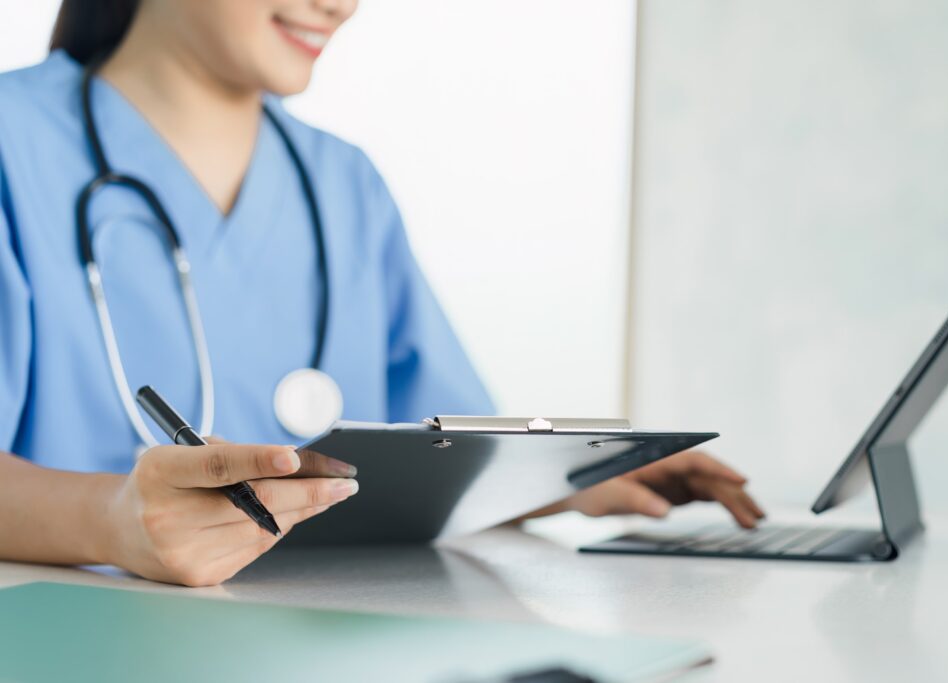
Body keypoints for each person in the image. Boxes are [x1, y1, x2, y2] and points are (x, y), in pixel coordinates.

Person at [0, 0, 764, 587]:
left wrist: (559, 481)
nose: (339, 2)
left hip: (326, 633)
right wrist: (114, 521)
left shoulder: (346, 185)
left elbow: (420, 451)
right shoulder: (14, 141)